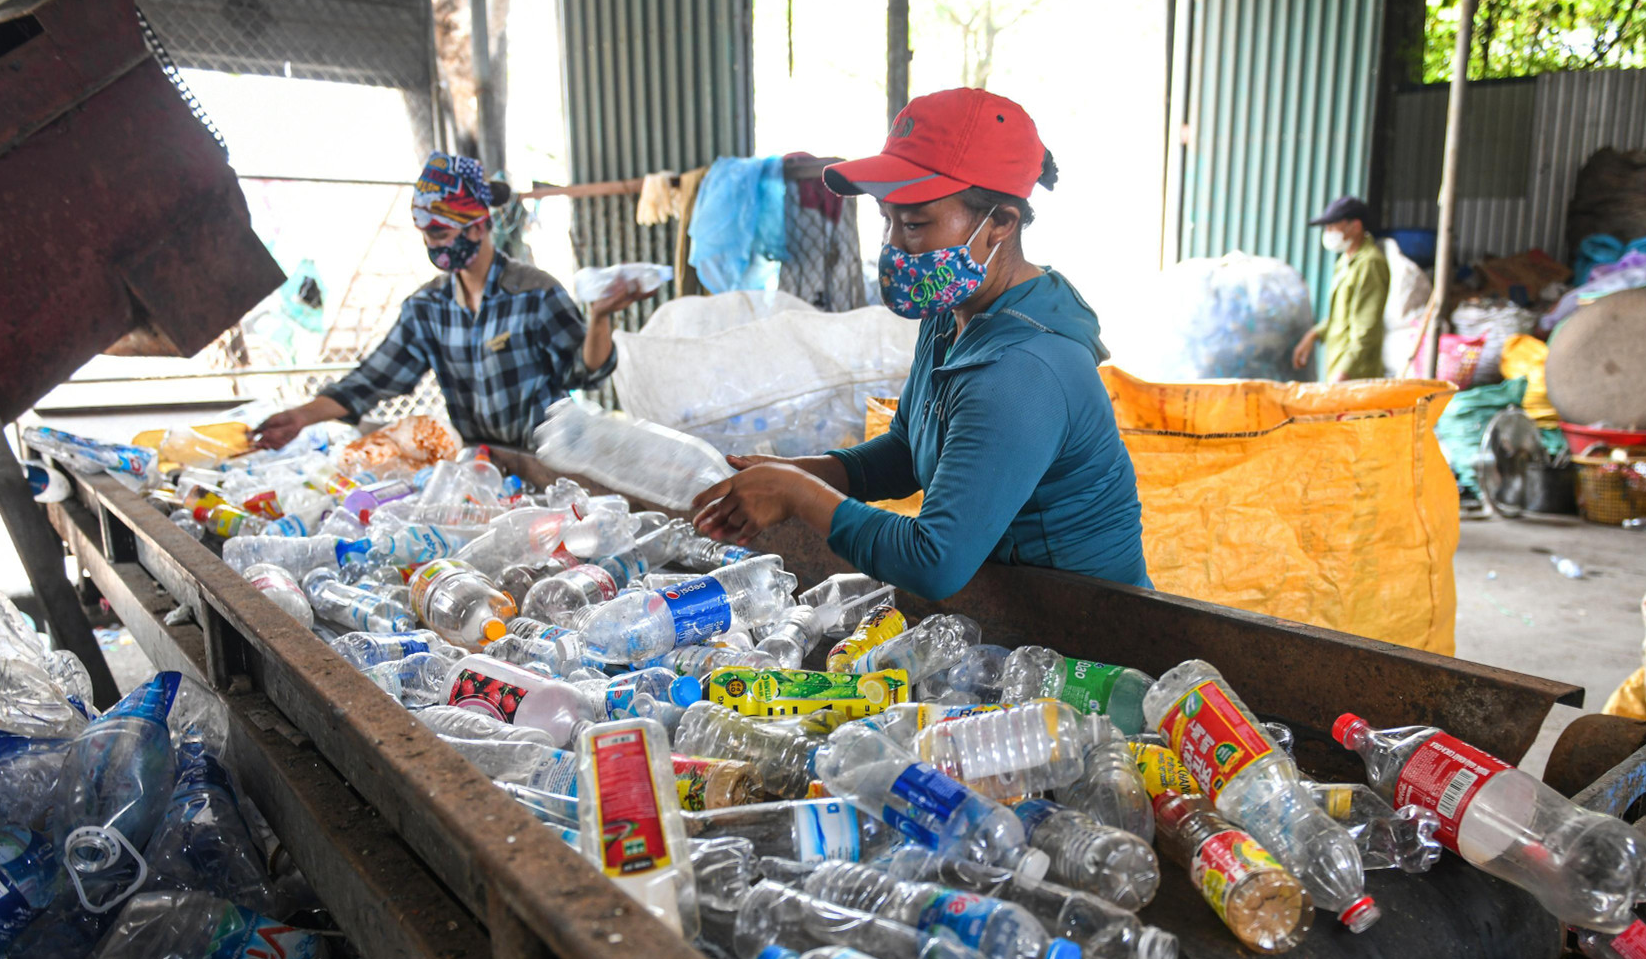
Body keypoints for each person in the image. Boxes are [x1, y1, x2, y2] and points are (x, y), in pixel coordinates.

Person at [689, 88, 1147, 602]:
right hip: (1015, 613)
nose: (893, 247)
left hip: (1092, 638)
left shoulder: (1023, 369)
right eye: (887, 220)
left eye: (914, 224)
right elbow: (909, 449)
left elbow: (935, 561)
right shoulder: (952, 314)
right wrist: (805, 471)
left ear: (1000, 223)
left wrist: (800, 496)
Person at [251, 152, 643, 449]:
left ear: (476, 226)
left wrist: (600, 319)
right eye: (425, 234)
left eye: (439, 234)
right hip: (482, 462)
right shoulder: (428, 309)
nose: (431, 244)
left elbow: (586, 371)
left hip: (549, 456)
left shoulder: (534, 293)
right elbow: (373, 379)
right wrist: (301, 417)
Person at [1292, 195, 1390, 382]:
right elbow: (1340, 316)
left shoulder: (1369, 263)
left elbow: (1366, 328)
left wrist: (1344, 371)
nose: (1328, 232)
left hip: (1356, 375)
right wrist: (1313, 334)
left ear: (1355, 226)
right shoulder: (1345, 262)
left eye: (1332, 226)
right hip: (1338, 366)